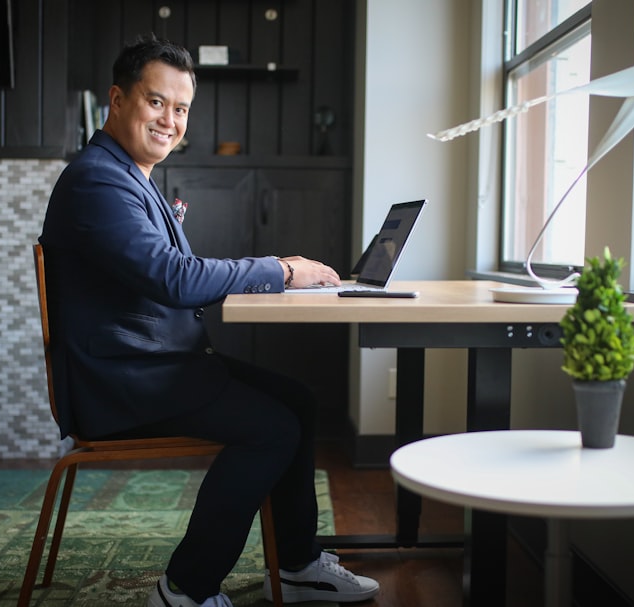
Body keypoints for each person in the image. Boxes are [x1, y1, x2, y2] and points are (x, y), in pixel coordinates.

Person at [38, 34, 379, 607]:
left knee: (297, 402)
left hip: (153, 365)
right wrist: (281, 270)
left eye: (181, 108)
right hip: (125, 382)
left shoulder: (125, 174)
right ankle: (186, 589)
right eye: (156, 102)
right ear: (117, 100)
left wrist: (271, 272)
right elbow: (174, 278)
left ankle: (296, 566)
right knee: (274, 429)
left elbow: (175, 275)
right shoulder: (98, 180)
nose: (169, 121)